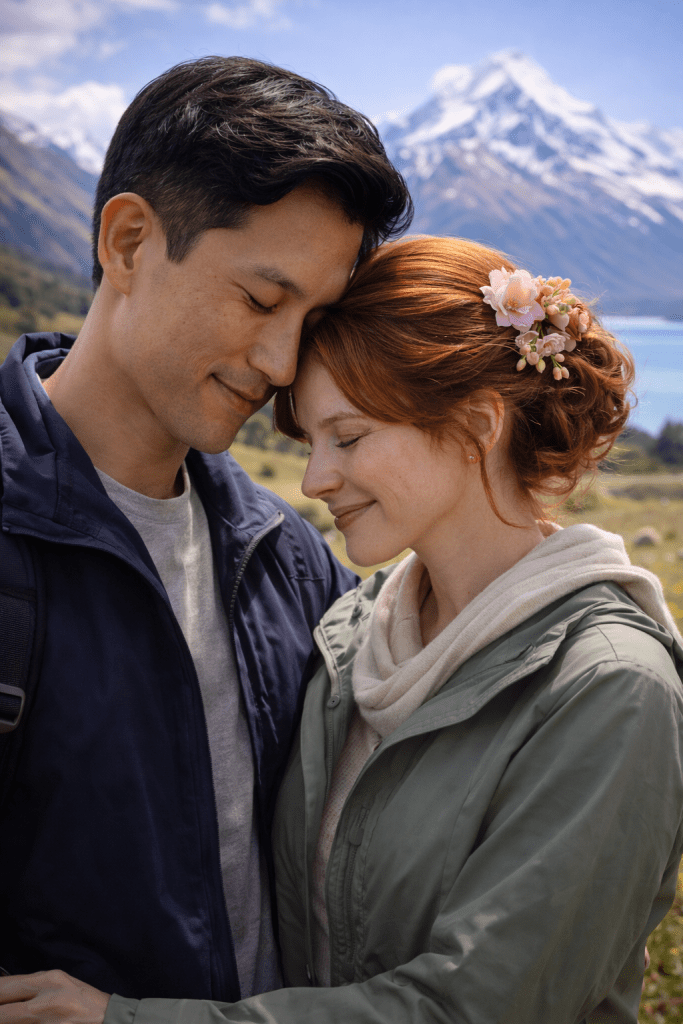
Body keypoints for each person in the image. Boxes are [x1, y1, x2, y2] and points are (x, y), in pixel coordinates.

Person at [7, 235, 683, 1024]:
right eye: (310, 441)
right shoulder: (349, 631)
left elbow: (474, 1006)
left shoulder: (609, 687)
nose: (314, 479)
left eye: (349, 437)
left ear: (477, 426)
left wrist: (123, 1020)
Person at [0, 54, 412, 1012]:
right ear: (129, 242)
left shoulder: (287, 555)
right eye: (261, 300)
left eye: (311, 321)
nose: (282, 363)